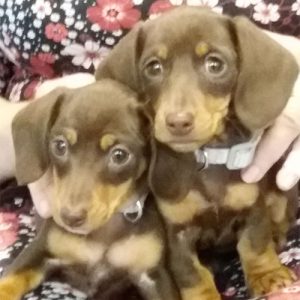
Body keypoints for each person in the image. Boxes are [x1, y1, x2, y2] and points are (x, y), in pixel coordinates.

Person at [1, 1, 300, 299]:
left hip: (279, 221)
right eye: (154, 67)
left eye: (214, 64)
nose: (179, 114)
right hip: (50, 205)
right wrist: (37, 130)